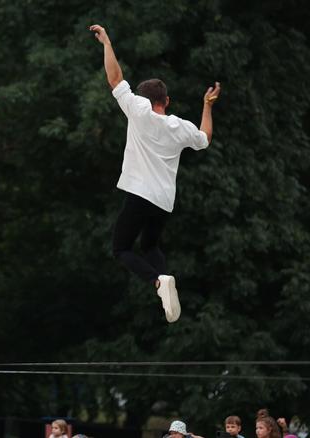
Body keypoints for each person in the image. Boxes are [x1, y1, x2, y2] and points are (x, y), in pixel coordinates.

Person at [89, 24, 221, 322]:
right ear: (167, 101)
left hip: (139, 195)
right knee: (149, 245)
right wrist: (206, 105)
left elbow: (115, 78)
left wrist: (107, 42)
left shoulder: (138, 110)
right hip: (164, 202)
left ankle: (158, 282)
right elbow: (205, 138)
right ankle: (164, 279)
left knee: (121, 248)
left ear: (144, 99)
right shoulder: (180, 127)